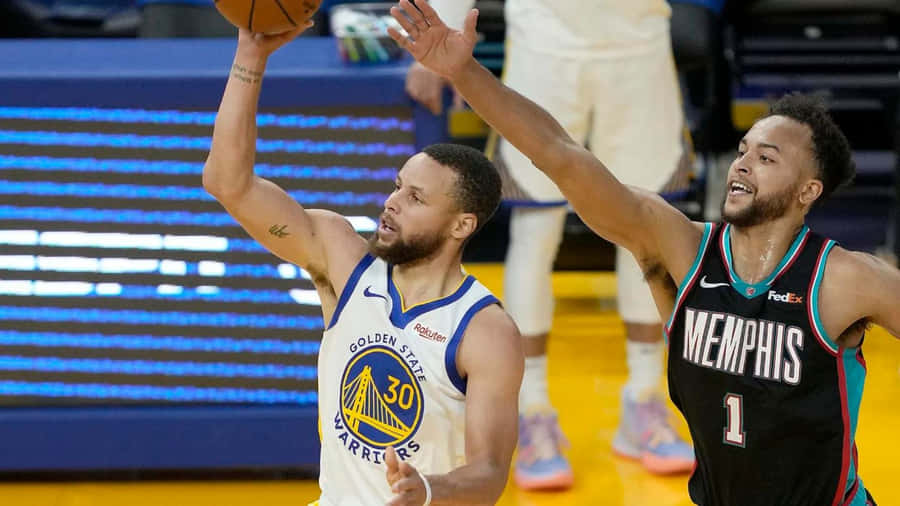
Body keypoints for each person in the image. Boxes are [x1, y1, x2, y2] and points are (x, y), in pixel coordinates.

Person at [388, 2, 899, 504]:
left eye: (767, 158)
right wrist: (466, 72)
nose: (743, 165)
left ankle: (642, 404)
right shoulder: (680, 248)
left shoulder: (845, 279)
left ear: (808, 191)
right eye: (742, 151)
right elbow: (558, 154)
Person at [202, 25, 524, 506]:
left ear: (461, 225)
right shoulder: (343, 259)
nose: (391, 203)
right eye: (397, 186)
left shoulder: (484, 330)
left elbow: (490, 473)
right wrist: (251, 54)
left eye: (415, 198)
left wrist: (430, 490)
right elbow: (228, 183)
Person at [404, 0, 694, 488]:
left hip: (639, 48)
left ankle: (645, 399)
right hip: (546, 46)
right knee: (536, 231)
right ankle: (532, 408)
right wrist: (435, 39)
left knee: (646, 229)